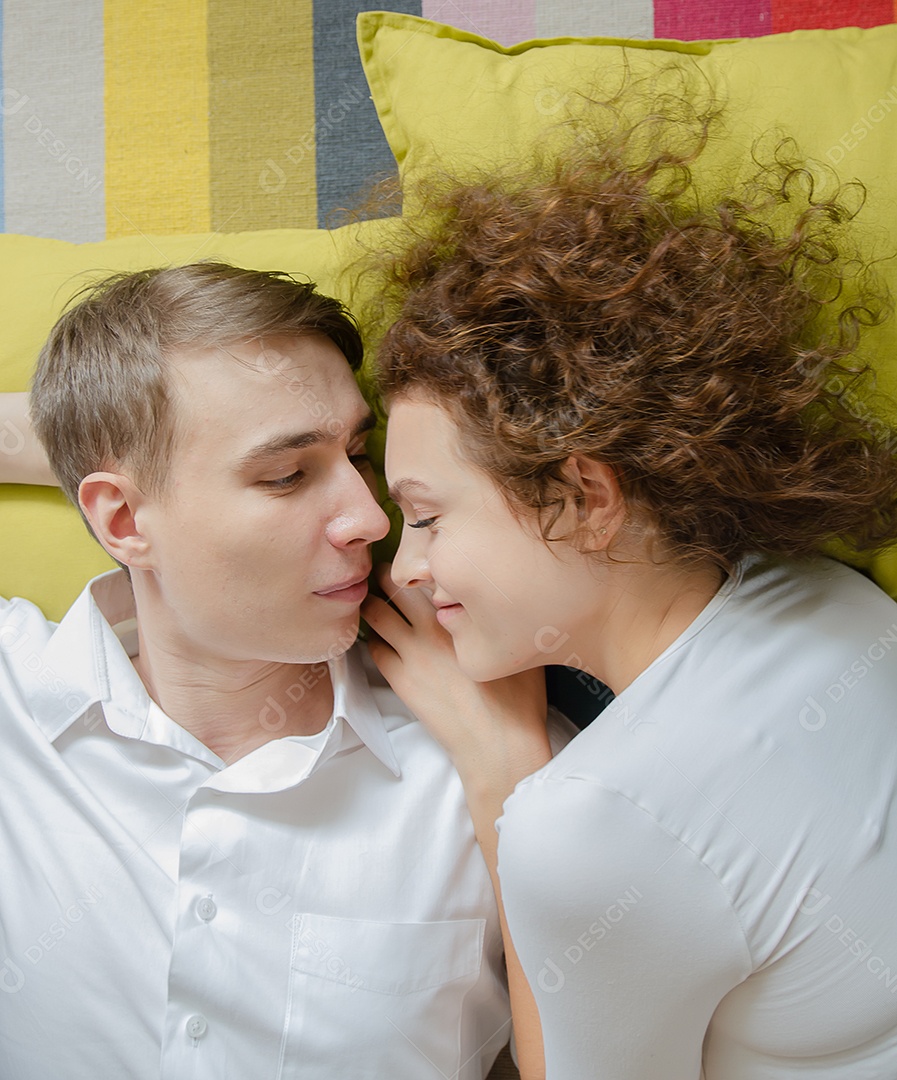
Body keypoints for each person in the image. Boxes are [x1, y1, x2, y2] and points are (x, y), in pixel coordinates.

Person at [360, 127, 897, 1079]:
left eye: (429, 517)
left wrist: (506, 780)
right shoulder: (831, 597)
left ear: (586, 498)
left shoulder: (584, 834)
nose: (405, 569)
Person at [0, 263, 522, 1079]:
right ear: (123, 518)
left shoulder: (495, 766)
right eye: (286, 474)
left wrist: (519, 793)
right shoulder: (15, 702)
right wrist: (74, 440)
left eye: (359, 453)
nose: (371, 517)